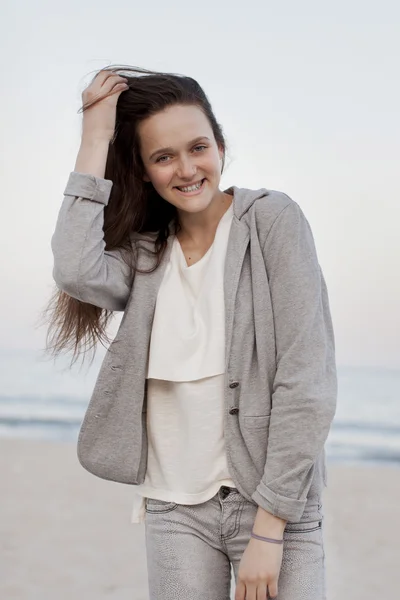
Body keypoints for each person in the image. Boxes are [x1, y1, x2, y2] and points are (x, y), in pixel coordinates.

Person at [47, 66, 337, 600]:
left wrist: (270, 529)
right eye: (163, 157)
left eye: (198, 147)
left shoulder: (272, 221)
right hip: (174, 507)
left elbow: (306, 381)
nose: (186, 168)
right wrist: (95, 134)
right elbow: (74, 267)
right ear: (145, 170)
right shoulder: (146, 254)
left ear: (220, 146)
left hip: (275, 505)